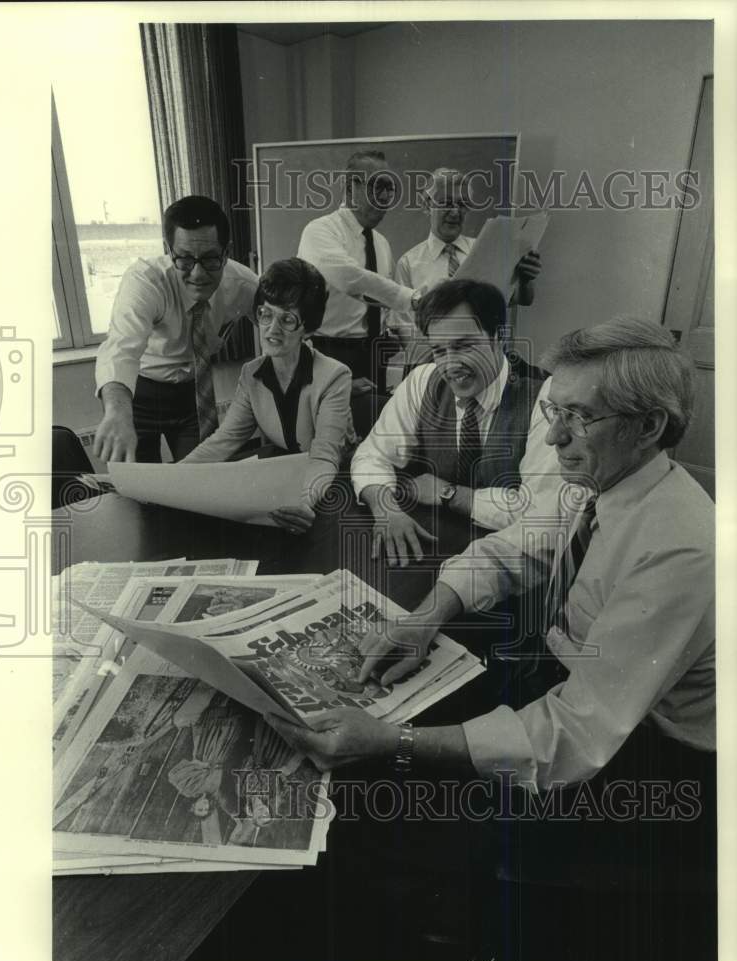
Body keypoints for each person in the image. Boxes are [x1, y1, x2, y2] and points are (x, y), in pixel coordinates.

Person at [268, 318, 714, 798]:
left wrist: (395, 744)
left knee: (398, 817)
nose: (552, 438)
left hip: (655, 756)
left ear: (648, 427)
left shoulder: (679, 549)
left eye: (579, 417)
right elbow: (516, 548)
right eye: (553, 411)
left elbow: (576, 735)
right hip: (573, 686)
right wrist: (425, 617)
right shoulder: (604, 479)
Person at [351, 278, 559, 565]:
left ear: (499, 336)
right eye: (439, 350)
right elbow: (371, 454)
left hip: (512, 560)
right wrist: (387, 510)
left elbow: (542, 512)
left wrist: (448, 494)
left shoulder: (545, 396)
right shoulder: (423, 380)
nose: (450, 364)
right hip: (435, 547)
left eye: (464, 346)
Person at [182, 258, 354, 534]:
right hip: (287, 483)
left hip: (331, 489)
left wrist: (301, 502)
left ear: (307, 328)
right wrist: (171, 477)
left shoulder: (334, 376)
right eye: (265, 314)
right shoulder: (252, 374)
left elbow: (324, 458)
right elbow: (224, 441)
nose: (272, 329)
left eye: (287, 319)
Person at [93, 195, 258, 463]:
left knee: (203, 479)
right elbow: (120, 350)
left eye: (210, 259)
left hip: (194, 393)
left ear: (226, 252)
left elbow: (281, 325)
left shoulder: (244, 284)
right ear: (170, 251)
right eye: (185, 259)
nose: (198, 274)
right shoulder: (145, 282)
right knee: (141, 486)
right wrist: (116, 412)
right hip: (139, 393)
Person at [297, 148, 424, 391]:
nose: (385, 197)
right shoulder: (320, 231)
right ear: (349, 189)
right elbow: (350, 278)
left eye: (390, 189)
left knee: (375, 423)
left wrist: (418, 354)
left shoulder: (382, 243)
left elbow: (386, 308)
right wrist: (412, 297)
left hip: (374, 353)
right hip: (330, 354)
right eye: (377, 187)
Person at [389, 167, 542, 367]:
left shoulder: (485, 249)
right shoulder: (408, 263)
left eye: (462, 204)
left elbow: (519, 299)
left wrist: (525, 279)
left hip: (483, 361)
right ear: (427, 205)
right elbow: (402, 327)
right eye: (446, 203)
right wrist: (441, 359)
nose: (455, 212)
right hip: (430, 364)